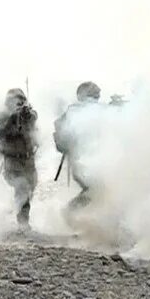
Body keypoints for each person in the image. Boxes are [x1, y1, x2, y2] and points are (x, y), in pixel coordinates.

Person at [0, 88, 39, 227]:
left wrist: (26, 115)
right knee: (22, 187)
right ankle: (23, 223)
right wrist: (11, 118)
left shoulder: (29, 114)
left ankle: (17, 207)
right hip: (12, 160)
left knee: (30, 187)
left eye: (21, 101)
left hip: (28, 159)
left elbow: (34, 120)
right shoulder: (2, 116)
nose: (18, 104)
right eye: (15, 101)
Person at [54, 81, 100, 211]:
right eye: (93, 95)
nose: (95, 99)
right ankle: (68, 212)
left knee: (98, 189)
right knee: (94, 190)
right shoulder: (74, 111)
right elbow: (63, 130)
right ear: (81, 96)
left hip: (92, 158)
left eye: (97, 96)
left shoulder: (93, 110)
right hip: (80, 159)